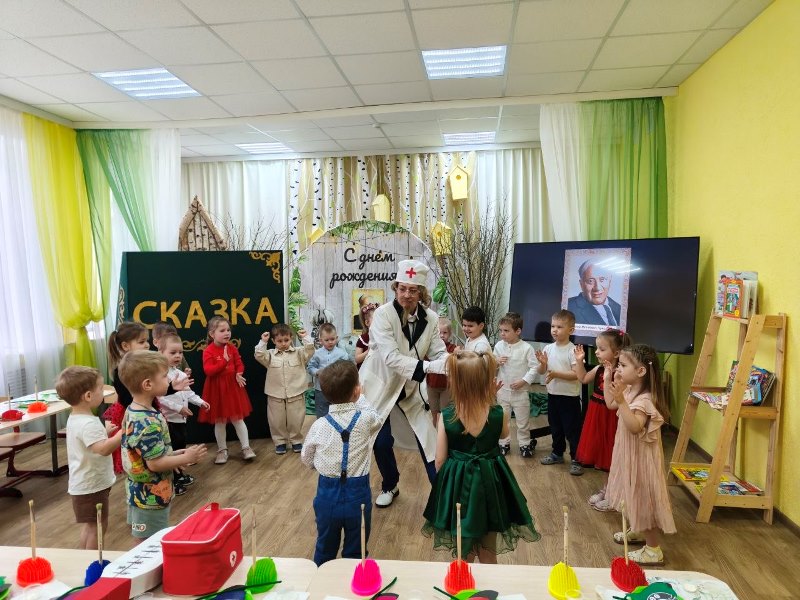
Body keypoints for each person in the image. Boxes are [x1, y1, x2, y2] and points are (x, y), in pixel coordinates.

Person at [422, 350, 540, 563]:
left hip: (458, 484)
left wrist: (445, 486)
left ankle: (464, 581)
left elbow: (439, 460)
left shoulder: (446, 417)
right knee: (489, 551)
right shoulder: (498, 413)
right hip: (490, 484)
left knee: (463, 551)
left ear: (457, 384)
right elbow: (503, 435)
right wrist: (491, 399)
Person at [359, 259, 449, 508]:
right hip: (379, 386)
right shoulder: (382, 315)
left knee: (429, 440)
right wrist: (430, 367)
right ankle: (390, 484)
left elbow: (438, 351)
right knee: (380, 441)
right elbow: (390, 357)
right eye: (402, 288)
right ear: (395, 288)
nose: (406, 294)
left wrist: (449, 362)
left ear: (421, 293)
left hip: (410, 388)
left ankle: (443, 495)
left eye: (412, 290)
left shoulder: (431, 318)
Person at [119, 351, 207, 541]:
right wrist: (186, 458)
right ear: (147, 384)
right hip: (150, 497)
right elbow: (155, 464)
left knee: (143, 539)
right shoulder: (147, 421)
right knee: (149, 543)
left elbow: (147, 453)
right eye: (164, 376)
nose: (169, 379)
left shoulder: (136, 410)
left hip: (140, 492)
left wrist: (174, 455)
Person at [301, 360, 382, 566]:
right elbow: (377, 418)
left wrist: (321, 465)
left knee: (324, 549)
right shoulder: (365, 420)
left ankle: (321, 580)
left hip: (326, 496)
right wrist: (360, 397)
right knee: (356, 552)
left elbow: (306, 458)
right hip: (358, 496)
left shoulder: (319, 426)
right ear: (356, 390)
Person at [605, 344, 676, 565]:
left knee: (644, 499)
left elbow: (635, 426)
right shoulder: (629, 390)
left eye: (623, 365)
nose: (618, 369)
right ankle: (637, 528)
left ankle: (653, 550)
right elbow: (610, 404)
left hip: (641, 460)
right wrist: (608, 379)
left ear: (641, 371)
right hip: (629, 455)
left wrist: (622, 401)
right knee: (630, 494)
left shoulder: (644, 399)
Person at [58, 366, 122, 550]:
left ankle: (84, 558)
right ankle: (93, 560)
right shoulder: (88, 424)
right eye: (101, 389)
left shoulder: (76, 418)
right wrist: (121, 435)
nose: (103, 392)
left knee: (91, 526)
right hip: (91, 485)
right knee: (98, 527)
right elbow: (103, 449)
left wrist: (104, 433)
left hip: (85, 484)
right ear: (87, 396)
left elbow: (89, 443)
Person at [572, 329, 631, 510]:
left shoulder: (621, 374)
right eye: (597, 348)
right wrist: (579, 361)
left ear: (617, 353)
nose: (596, 352)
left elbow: (613, 402)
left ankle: (614, 494)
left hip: (611, 418)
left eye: (602, 349)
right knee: (603, 455)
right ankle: (607, 490)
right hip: (596, 415)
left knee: (612, 455)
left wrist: (609, 376)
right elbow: (582, 378)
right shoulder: (599, 369)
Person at [158, 333, 210, 495]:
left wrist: (200, 402)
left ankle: (179, 475)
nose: (177, 356)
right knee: (171, 450)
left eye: (180, 352)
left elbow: (188, 393)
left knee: (180, 447)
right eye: (172, 352)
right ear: (161, 352)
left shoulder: (180, 374)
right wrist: (178, 408)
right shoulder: (160, 375)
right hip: (168, 421)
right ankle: (172, 481)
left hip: (181, 421)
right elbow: (160, 398)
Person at [200, 316, 255, 464]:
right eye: (222, 330)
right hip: (216, 390)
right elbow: (209, 371)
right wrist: (224, 361)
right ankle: (222, 450)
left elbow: (239, 364)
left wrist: (239, 373)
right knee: (220, 421)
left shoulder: (232, 348)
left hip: (232, 388)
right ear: (212, 334)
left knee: (238, 419)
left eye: (228, 330)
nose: (227, 333)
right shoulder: (208, 351)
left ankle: (246, 447)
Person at [535, 309, 583, 476]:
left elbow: (576, 374)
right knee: (555, 427)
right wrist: (543, 364)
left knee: (572, 430)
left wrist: (556, 374)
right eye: (553, 326)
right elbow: (542, 372)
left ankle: (577, 458)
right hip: (553, 395)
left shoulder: (573, 351)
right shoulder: (548, 348)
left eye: (560, 327)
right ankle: (557, 453)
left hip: (569, 398)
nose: (555, 330)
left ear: (571, 330)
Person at [255, 323, 314, 455]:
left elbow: (310, 350)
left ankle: (296, 440)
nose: (283, 343)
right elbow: (258, 355)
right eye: (279, 341)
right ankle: (280, 442)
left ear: (291, 338)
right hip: (275, 394)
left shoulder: (299, 353)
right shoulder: (270, 355)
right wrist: (263, 342)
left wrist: (305, 338)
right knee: (276, 420)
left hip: (296, 392)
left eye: (286, 340)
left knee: (296, 418)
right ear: (273, 341)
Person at [105, 322, 152, 475]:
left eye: (147, 341)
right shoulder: (120, 371)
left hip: (145, 408)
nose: (147, 345)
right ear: (125, 346)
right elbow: (126, 399)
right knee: (137, 450)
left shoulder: (144, 365)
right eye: (141, 342)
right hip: (133, 413)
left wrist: (171, 387)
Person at [494, 312, 537, 458]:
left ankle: (524, 444)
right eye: (500, 330)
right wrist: (496, 362)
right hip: (503, 391)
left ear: (518, 331)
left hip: (521, 392)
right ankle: (503, 443)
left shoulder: (526, 348)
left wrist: (524, 380)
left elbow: (534, 367)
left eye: (506, 331)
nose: (502, 334)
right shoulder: (499, 346)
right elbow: (492, 364)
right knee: (503, 419)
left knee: (522, 420)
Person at [307, 323, 351, 418]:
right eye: (326, 340)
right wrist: (317, 372)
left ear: (337, 338)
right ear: (321, 340)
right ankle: (322, 426)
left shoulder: (342, 354)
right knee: (321, 412)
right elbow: (310, 367)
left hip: (337, 389)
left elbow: (347, 368)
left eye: (332, 339)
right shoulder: (317, 354)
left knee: (338, 413)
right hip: (320, 390)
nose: (330, 342)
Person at [567, 260, 622, 326]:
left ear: (609, 281)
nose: (597, 288)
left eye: (602, 279)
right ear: (581, 284)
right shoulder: (568, 308)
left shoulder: (620, 308)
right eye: (590, 281)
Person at [426, 318, 456, 428]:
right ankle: (436, 433)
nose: (442, 335)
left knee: (445, 413)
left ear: (450, 334)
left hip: (446, 387)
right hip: (432, 386)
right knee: (434, 411)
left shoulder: (453, 348)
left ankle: (445, 434)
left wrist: (455, 354)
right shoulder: (430, 348)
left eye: (445, 333)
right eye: (439, 333)